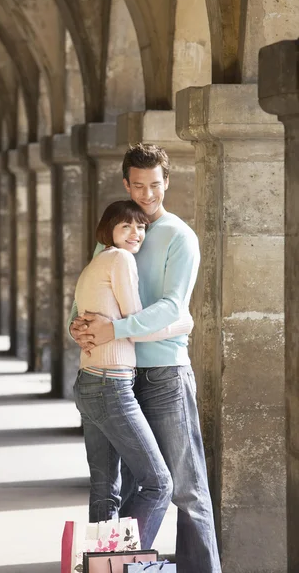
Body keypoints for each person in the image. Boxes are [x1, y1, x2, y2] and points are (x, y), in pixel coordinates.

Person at [69, 144, 221, 573]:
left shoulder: (180, 236)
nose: (147, 194)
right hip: (118, 376)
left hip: (165, 375)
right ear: (126, 184)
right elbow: (85, 300)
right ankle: (119, 565)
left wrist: (114, 329)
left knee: (186, 490)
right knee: (126, 484)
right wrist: (77, 328)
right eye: (138, 186)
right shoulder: (117, 234)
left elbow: (175, 307)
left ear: (166, 182)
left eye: (154, 185)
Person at [73, 199, 193, 550]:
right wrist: (181, 323)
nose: (136, 233)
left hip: (89, 381)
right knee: (158, 484)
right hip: (111, 386)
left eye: (140, 226)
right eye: (126, 226)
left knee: (104, 491)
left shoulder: (96, 263)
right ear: (108, 230)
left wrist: (114, 328)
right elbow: (135, 324)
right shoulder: (121, 259)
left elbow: (111, 323)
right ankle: (124, 562)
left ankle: (100, 567)